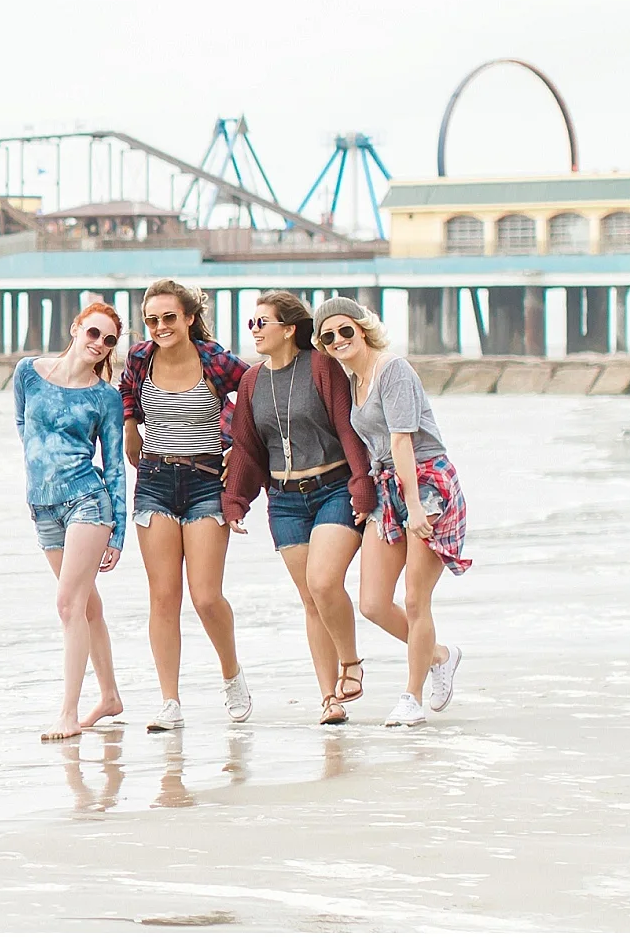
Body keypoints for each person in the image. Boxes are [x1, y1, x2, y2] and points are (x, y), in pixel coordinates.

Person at [314, 297, 469, 728]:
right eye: (329, 337)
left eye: (346, 330)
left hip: (425, 484)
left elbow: (402, 441)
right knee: (372, 603)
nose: (339, 340)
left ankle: (411, 698)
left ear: (362, 329)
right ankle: (440, 655)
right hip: (388, 490)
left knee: (416, 599)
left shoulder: (392, 369)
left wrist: (417, 507)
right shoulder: (351, 380)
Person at [224, 291, 376, 724]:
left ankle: (350, 662)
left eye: (262, 323)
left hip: (333, 490)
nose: (253, 330)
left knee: (325, 582)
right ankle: (330, 698)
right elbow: (249, 449)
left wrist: (362, 487)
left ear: (289, 329)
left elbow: (349, 432)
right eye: (252, 323)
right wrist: (235, 500)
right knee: (311, 599)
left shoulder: (322, 367)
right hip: (285, 501)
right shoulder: (251, 381)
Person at [117, 278, 251, 732]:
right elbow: (127, 390)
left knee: (206, 596)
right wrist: (131, 424)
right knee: (163, 596)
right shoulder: (140, 357)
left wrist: (238, 445)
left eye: (169, 318)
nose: (159, 327)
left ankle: (231, 674)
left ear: (189, 318)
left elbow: (252, 392)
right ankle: (169, 702)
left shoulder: (214, 359)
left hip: (205, 482)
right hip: (154, 479)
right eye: (151, 320)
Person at [13, 301, 128, 742]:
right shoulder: (27, 372)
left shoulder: (105, 397)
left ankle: (68, 712)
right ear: (77, 327)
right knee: (87, 606)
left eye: (109, 341)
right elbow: (24, 429)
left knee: (68, 606)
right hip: (42, 507)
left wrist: (117, 533)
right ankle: (111, 696)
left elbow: (114, 466)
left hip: (88, 502)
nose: (99, 344)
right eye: (94, 333)